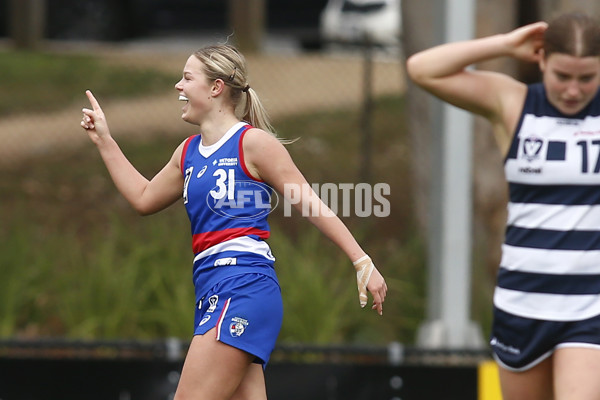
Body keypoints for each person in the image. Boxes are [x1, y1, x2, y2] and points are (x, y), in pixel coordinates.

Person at [80, 44, 387, 400]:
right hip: (212, 290)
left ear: (216, 87)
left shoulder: (253, 143)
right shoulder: (187, 152)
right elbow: (144, 198)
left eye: (187, 77)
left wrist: (361, 260)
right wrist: (105, 141)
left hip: (241, 287)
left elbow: (311, 204)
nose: (178, 86)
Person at [407, 12, 600, 400]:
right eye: (563, 76)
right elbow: (422, 69)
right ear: (541, 59)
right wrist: (504, 44)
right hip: (522, 298)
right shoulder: (513, 102)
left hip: (589, 303)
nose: (574, 90)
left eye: (587, 78)